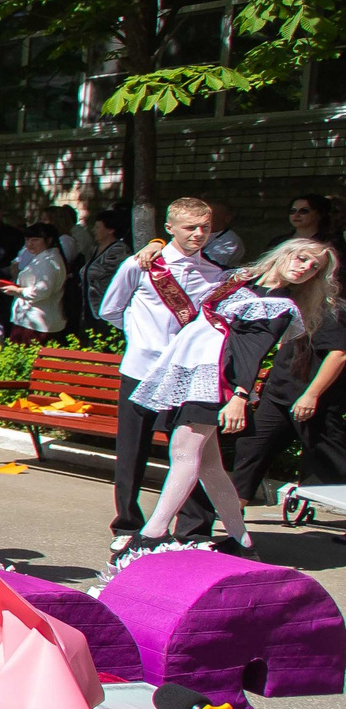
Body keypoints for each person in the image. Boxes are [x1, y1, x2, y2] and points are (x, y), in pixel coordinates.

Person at [117, 238, 337, 564]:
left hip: (215, 383)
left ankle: (150, 534)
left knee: (184, 452)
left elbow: (252, 353)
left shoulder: (279, 305)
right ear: (285, 252)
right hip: (189, 374)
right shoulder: (239, 279)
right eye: (302, 258)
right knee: (210, 466)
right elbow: (190, 265)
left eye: (314, 267)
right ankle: (242, 540)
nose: (305, 267)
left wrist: (239, 396)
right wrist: (156, 245)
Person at [99, 196, 225, 549]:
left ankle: (194, 530)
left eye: (205, 227)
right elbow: (110, 309)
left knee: (192, 451)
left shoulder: (214, 273)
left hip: (183, 376)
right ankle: (127, 525)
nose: (198, 234)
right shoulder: (140, 266)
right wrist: (140, 338)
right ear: (169, 228)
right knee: (131, 451)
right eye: (190, 227)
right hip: (141, 368)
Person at [230, 282, 346, 512]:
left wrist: (311, 395)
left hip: (315, 400)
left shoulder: (332, 311)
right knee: (252, 449)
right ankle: (233, 512)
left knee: (334, 461)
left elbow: (339, 355)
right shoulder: (291, 305)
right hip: (279, 394)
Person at [1, 223, 67, 340]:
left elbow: (42, 291)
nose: (30, 244)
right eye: (27, 240)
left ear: (49, 240)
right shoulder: (42, 258)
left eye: (35, 240)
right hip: (30, 320)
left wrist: (18, 290)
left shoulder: (49, 261)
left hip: (37, 324)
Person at [79, 210, 130, 332]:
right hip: (89, 308)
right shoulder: (94, 249)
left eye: (97, 227)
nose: (93, 230)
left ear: (110, 230)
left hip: (106, 309)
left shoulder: (119, 251)